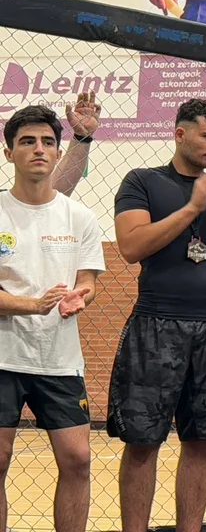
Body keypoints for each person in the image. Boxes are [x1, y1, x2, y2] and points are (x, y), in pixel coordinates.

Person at [108, 99, 206, 532]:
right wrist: (192, 208)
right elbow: (131, 247)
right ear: (180, 134)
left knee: (202, 439)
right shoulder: (142, 180)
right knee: (142, 441)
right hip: (156, 324)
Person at [0, 105, 106, 532]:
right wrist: (32, 305)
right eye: (27, 141)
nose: (38, 149)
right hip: (3, 357)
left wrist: (81, 296)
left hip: (60, 360)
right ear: (9, 153)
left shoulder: (80, 217)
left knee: (78, 460)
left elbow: (88, 281)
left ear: (59, 152)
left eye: (47, 142)